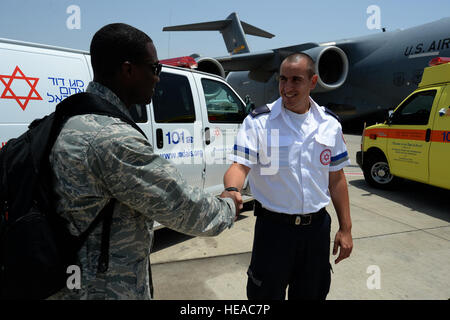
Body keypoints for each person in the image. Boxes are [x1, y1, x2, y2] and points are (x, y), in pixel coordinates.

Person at [47, 23, 242, 300]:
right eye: (154, 68)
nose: (158, 78)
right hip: (105, 289)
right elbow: (185, 208)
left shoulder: (67, 119)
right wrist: (228, 205)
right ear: (128, 71)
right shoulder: (114, 139)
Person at [223, 53, 353, 300]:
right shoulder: (259, 122)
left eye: (296, 80)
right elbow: (240, 166)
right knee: (264, 297)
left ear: (313, 82)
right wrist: (232, 189)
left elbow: (336, 179)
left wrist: (345, 229)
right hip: (273, 232)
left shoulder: (330, 124)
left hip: (316, 232)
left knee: (312, 294)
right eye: (283, 79)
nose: (287, 87)